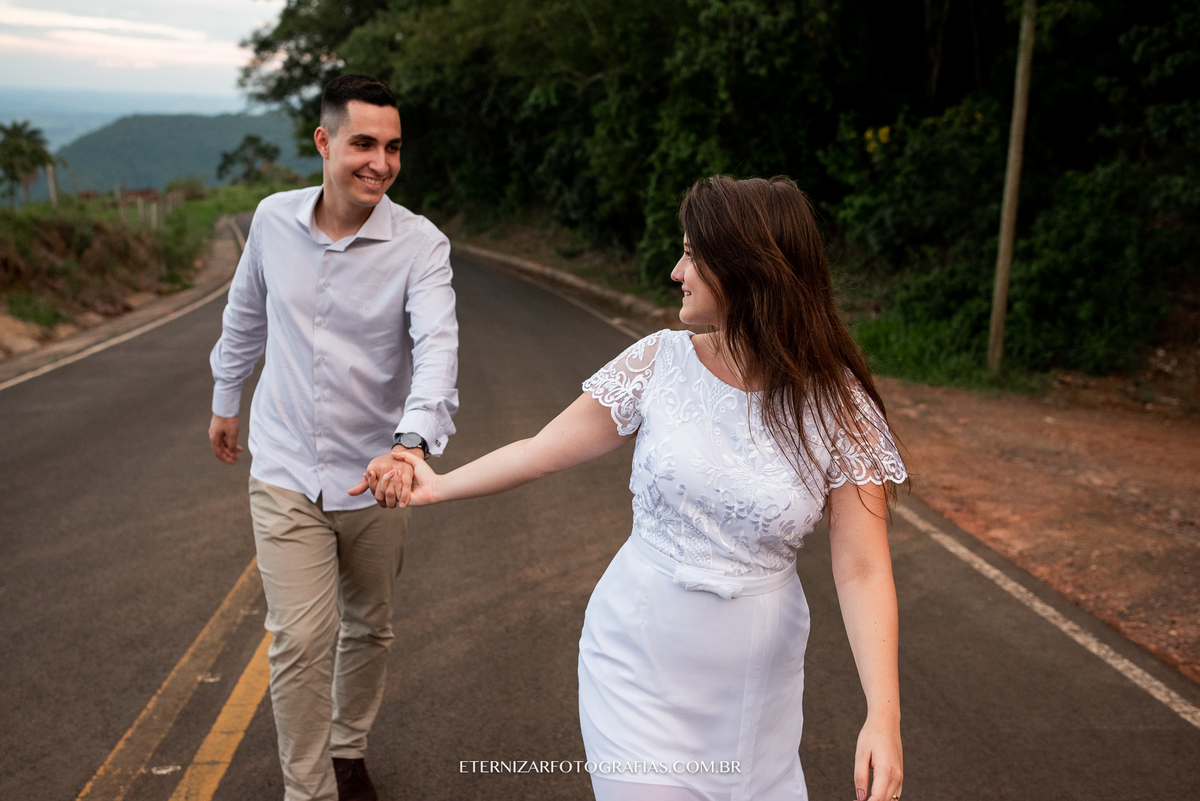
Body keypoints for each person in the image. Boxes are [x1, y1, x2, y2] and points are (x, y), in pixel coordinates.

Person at [370, 175, 907, 801]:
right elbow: (540, 451)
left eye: (691, 255)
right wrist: (435, 488)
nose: (676, 271)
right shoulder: (658, 363)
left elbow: (864, 569)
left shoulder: (837, 405)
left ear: (744, 269)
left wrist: (884, 717)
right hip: (635, 659)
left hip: (755, 687)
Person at [208, 74, 459, 801]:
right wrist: (227, 398)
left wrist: (411, 444)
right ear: (324, 142)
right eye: (363, 143)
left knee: (369, 626)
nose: (380, 161)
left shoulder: (421, 245)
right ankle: (309, 789)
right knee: (298, 641)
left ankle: (348, 747)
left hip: (378, 475)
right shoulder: (271, 220)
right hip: (285, 465)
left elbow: (437, 347)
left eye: (392, 147)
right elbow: (244, 314)